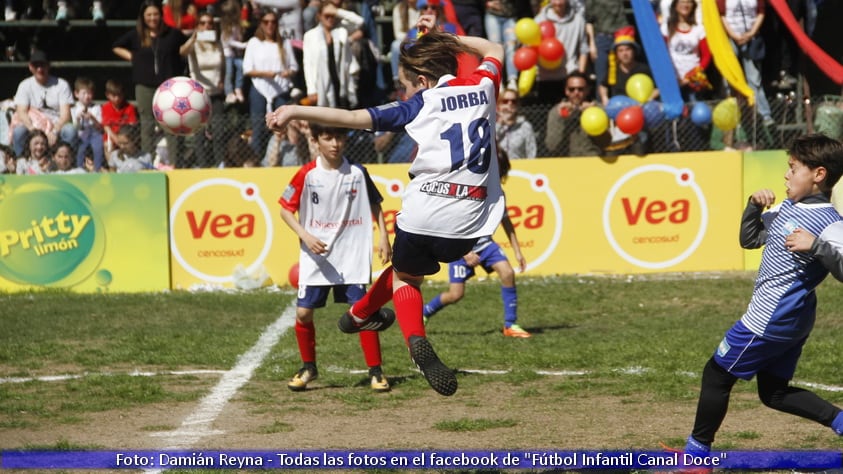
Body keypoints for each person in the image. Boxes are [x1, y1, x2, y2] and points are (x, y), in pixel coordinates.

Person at [267, 18, 506, 397]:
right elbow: (495, 49)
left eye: (407, 84)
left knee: (406, 280)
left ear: (423, 81)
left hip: (427, 208)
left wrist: (296, 110)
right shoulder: (483, 85)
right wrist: (444, 37)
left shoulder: (419, 105)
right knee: (403, 270)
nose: (406, 90)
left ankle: (414, 341)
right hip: (471, 221)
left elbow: (351, 118)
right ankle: (360, 314)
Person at [677, 134, 843, 459]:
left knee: (716, 375)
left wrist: (818, 246)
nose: (786, 174)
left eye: (793, 168)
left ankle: (696, 457)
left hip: (769, 319)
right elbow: (750, 239)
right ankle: (839, 419)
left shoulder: (829, 223)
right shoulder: (786, 208)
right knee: (774, 392)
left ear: (819, 175)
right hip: (793, 321)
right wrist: (753, 207)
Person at [278, 121, 393, 392]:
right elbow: (284, 209)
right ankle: (309, 367)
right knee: (304, 313)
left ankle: (376, 372)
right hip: (316, 256)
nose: (334, 144)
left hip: (350, 255)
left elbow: (376, 205)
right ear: (316, 141)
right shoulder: (306, 174)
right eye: (328, 138)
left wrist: (384, 236)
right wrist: (305, 235)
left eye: (339, 138)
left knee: (363, 313)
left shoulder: (357, 172)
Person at [423, 147, 529, 337]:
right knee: (455, 294)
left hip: (486, 245)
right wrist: (464, 252)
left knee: (507, 273)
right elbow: (449, 223)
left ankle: (510, 325)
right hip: (460, 247)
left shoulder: (497, 192)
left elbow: (506, 221)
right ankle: (424, 312)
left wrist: (517, 251)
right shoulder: (467, 188)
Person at [112, 0, 189, 162]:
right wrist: (133, 57)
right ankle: (147, 161)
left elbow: (184, 47)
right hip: (145, 86)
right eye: (148, 15)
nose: (152, 18)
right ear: (143, 17)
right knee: (147, 125)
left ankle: (175, 162)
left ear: (161, 15)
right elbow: (116, 46)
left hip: (168, 87)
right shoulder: (136, 35)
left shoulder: (172, 34)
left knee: (171, 124)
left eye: (155, 14)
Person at [243, 7, 299, 158]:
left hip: (280, 88)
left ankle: (286, 158)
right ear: (261, 23)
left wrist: (288, 72)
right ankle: (256, 158)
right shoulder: (254, 43)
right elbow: (247, 69)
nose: (270, 25)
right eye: (266, 22)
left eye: (273, 22)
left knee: (285, 125)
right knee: (258, 126)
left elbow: (294, 66)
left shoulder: (284, 43)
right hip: (259, 88)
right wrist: (266, 74)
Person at [718, 0, 774, 128]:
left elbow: (761, 12)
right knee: (730, 80)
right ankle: (732, 119)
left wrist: (751, 33)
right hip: (730, 39)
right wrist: (733, 35)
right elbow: (721, 14)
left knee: (754, 79)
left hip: (751, 38)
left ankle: (764, 115)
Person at [11, 50, 76, 158]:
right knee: (18, 132)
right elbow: (21, 112)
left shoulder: (62, 85)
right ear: (30, 67)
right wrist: (33, 130)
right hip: (33, 126)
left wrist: (54, 131)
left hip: (56, 126)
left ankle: (69, 165)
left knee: (70, 130)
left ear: (48, 66)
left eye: (42, 65)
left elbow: (66, 115)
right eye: (36, 66)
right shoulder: (24, 85)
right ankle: (20, 163)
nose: (40, 69)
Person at [183, 10, 226, 168]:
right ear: (197, 25)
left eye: (209, 23)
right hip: (198, 95)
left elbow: (222, 65)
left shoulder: (218, 43)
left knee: (219, 130)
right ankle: (202, 165)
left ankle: (220, 163)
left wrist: (222, 81)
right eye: (203, 23)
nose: (206, 26)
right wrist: (194, 38)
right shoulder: (193, 45)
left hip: (215, 93)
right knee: (199, 133)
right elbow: (182, 52)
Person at [301, 1, 360, 109]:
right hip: (321, 85)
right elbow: (308, 64)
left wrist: (337, 11)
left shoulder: (341, 31)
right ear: (319, 16)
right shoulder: (310, 36)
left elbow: (359, 22)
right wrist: (311, 89)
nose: (330, 18)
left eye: (332, 16)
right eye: (326, 15)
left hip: (341, 84)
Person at [534, 0, 589, 104]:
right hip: (545, 77)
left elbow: (583, 49)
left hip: (569, 76)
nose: (558, 3)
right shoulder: (539, 20)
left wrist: (580, 75)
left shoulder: (578, 20)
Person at [545, 71, 608, 156]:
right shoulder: (556, 112)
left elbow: (606, 143)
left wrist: (593, 117)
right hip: (567, 162)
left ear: (588, 90)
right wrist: (560, 119)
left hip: (593, 160)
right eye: (572, 89)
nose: (576, 93)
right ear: (566, 91)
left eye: (580, 89)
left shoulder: (598, 110)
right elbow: (551, 146)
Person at [661, 0, 711, 102]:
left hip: (694, 81)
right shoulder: (666, 27)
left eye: (689, 2)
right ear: (675, 5)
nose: (685, 5)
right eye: (682, 2)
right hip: (673, 80)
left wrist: (691, 77)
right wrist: (671, 76)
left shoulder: (699, 29)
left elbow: (707, 56)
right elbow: (661, 53)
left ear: (693, 6)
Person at [584, 0, 629, 89]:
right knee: (601, 76)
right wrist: (592, 44)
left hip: (621, 37)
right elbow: (589, 21)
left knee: (621, 74)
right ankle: (601, 101)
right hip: (601, 37)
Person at [70, 76, 105, 171]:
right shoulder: (74, 109)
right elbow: (74, 128)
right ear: (76, 94)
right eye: (84, 93)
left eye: (89, 93)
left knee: (98, 147)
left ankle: (97, 169)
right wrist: (77, 119)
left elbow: (100, 127)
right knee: (80, 150)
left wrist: (92, 118)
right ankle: (79, 169)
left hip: (94, 134)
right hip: (81, 136)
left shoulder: (96, 107)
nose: (87, 96)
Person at [496, 87, 536, 159]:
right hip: (497, 168)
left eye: (513, 101)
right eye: (505, 101)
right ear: (499, 105)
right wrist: (499, 124)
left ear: (517, 105)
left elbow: (531, 153)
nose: (509, 104)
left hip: (519, 168)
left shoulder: (525, 126)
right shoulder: (492, 126)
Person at [219, 0, 247, 104]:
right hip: (228, 54)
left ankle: (238, 88)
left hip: (236, 54)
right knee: (229, 73)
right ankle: (229, 92)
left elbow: (237, 38)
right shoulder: (225, 27)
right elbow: (228, 41)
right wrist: (243, 45)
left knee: (242, 67)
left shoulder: (237, 25)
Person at [100, 79, 138, 153]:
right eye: (114, 96)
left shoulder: (130, 107)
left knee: (127, 143)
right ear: (107, 95)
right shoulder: (106, 107)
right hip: (111, 135)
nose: (117, 98)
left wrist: (120, 139)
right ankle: (111, 164)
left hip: (125, 136)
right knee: (108, 145)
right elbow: (106, 126)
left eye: (119, 95)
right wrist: (115, 138)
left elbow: (132, 126)